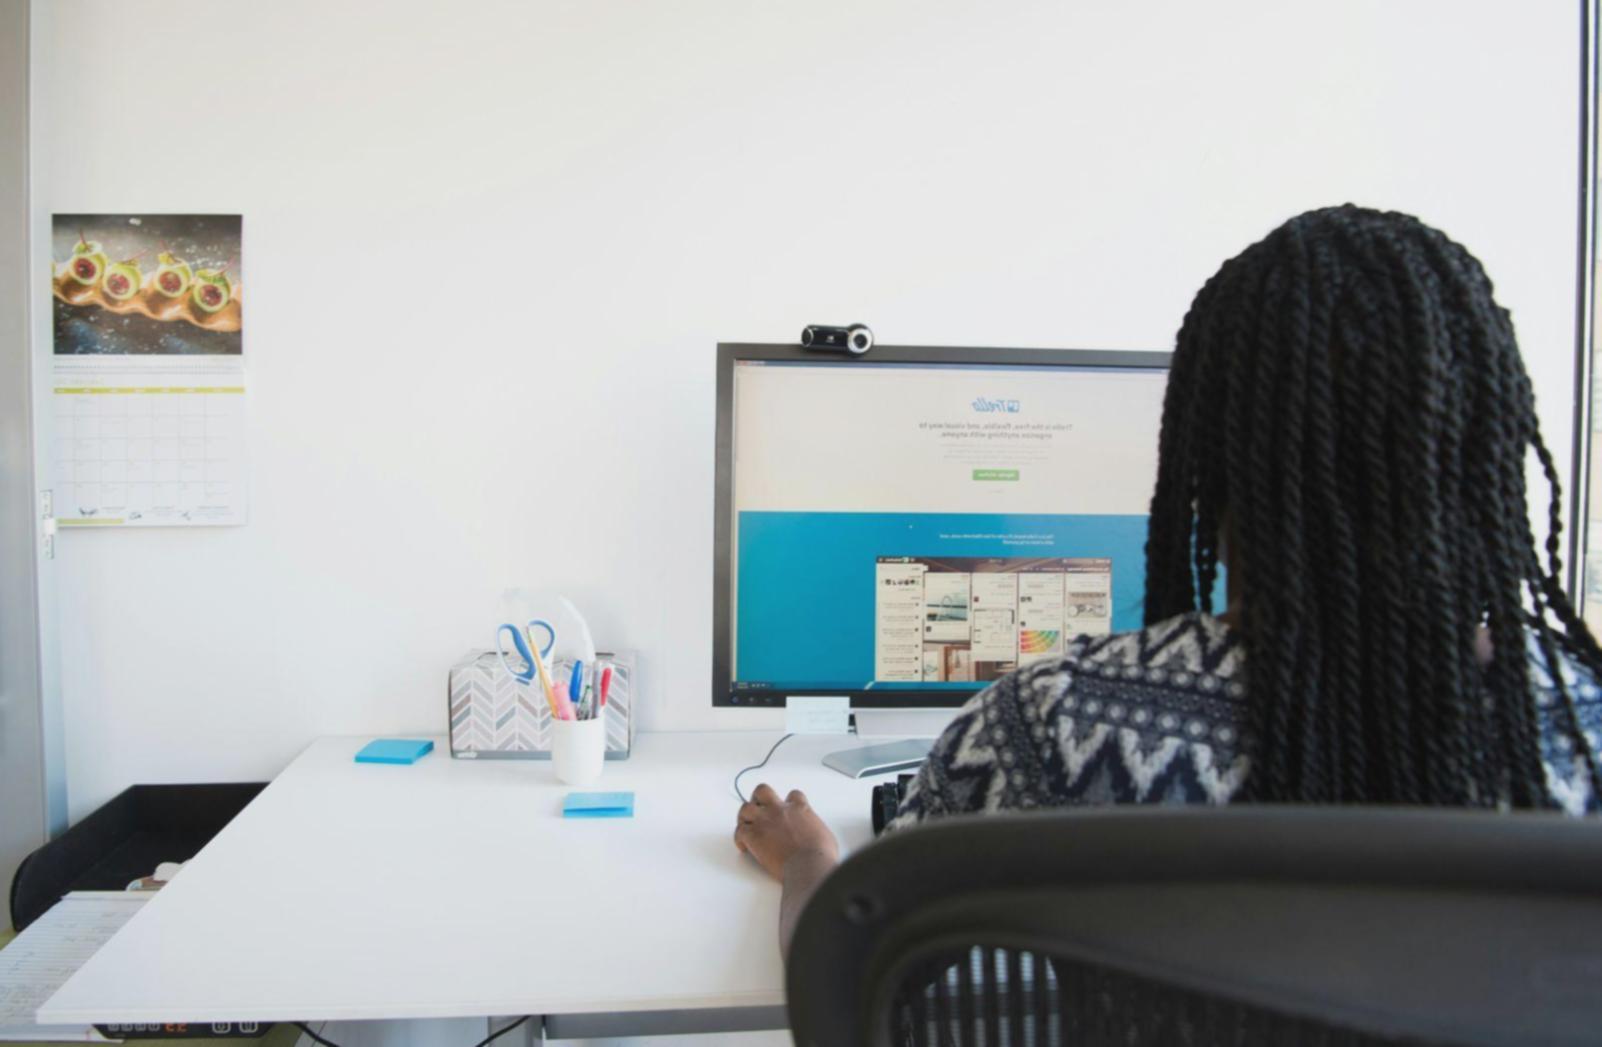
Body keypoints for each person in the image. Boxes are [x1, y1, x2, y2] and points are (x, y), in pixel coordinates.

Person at [733, 204, 1602, 951]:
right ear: (1486, 451)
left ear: (1208, 462)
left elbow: (864, 974)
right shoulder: (1581, 734)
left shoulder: (1047, 728)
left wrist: (811, 860)